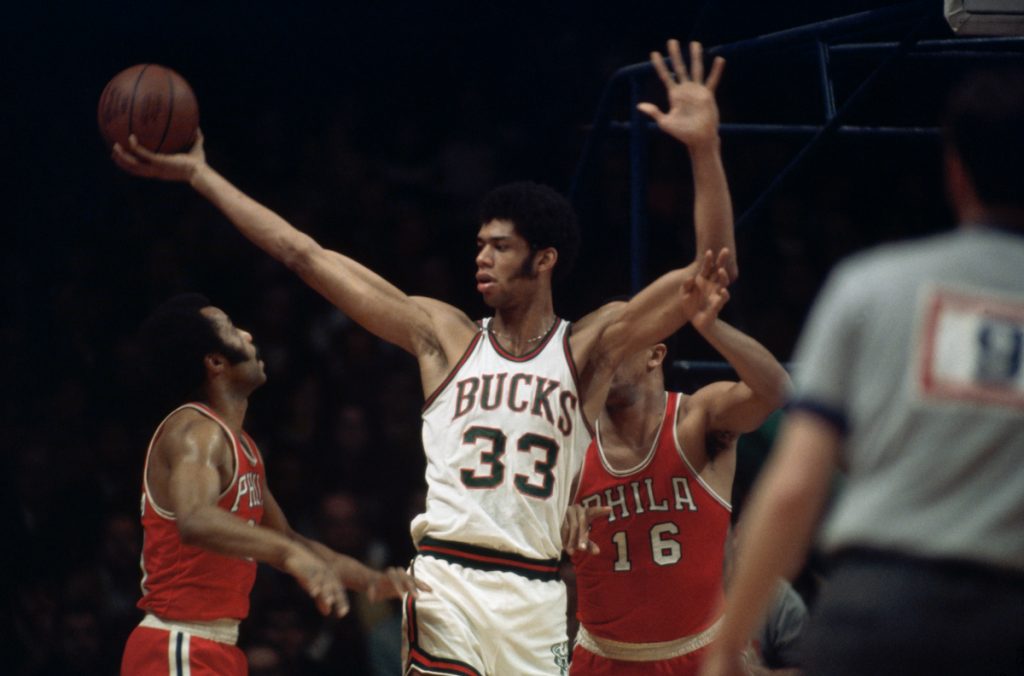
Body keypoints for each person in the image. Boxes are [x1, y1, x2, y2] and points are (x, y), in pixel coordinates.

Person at [113, 40, 733, 676]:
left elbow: (708, 274)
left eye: (500, 247)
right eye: (478, 245)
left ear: (543, 259)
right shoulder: (445, 335)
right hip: (448, 584)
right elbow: (306, 254)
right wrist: (202, 176)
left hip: (537, 595)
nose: (481, 258)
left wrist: (704, 148)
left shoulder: (590, 347)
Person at [699, 68, 1024, 676]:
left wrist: (725, 647)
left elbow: (797, 488)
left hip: (881, 614)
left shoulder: (871, 287)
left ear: (955, 170)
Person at [120, 294, 426, 675]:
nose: (248, 335)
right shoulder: (195, 430)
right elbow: (195, 520)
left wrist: (371, 581)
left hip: (216, 646)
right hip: (176, 643)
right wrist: (288, 556)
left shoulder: (242, 445)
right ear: (215, 361)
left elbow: (289, 538)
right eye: (232, 330)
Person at [562, 257, 790, 674]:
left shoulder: (698, 420)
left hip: (702, 653)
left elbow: (777, 391)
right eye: (594, 346)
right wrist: (558, 521)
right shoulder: (569, 440)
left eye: (616, 340)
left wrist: (712, 328)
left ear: (655, 354)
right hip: (603, 659)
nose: (602, 355)